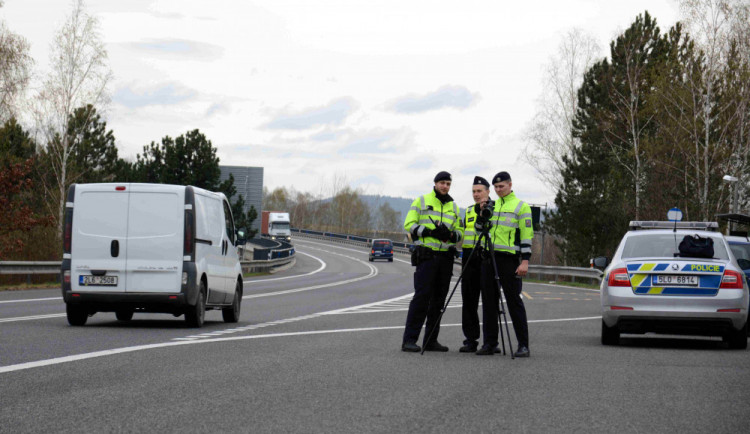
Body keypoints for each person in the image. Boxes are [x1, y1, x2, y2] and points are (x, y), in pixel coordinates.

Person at [401, 171, 462, 352]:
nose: (445, 186)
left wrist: (450, 235)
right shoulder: (421, 201)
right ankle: (409, 340)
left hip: (445, 259)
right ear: (435, 183)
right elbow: (409, 224)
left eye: (448, 183)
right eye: (442, 182)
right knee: (421, 299)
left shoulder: (454, 207)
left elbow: (459, 233)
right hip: (426, 257)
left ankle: (431, 341)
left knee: (438, 301)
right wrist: (428, 232)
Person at [477, 171, 533, 357]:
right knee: (489, 303)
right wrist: (481, 213)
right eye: (495, 187)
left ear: (510, 184)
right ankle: (490, 344)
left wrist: (525, 261)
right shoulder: (491, 205)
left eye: (501, 186)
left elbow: (526, 236)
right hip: (489, 258)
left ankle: (523, 345)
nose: (498, 190)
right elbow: (479, 229)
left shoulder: (521, 206)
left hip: (509, 260)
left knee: (513, 302)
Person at [458, 176, 492, 353]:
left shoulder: (495, 209)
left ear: (488, 191)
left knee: (488, 301)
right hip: (469, 258)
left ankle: (490, 342)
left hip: (485, 257)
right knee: (469, 301)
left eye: (479, 191)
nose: (476, 194)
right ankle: (470, 340)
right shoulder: (469, 211)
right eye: (473, 191)